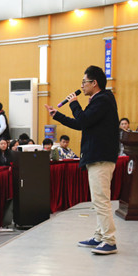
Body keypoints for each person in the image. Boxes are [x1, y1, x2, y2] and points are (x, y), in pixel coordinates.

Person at [44, 65, 120, 255]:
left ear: (94, 83)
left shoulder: (103, 99)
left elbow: (83, 120)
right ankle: (99, 236)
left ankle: (109, 240)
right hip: (97, 156)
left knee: (101, 200)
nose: (82, 86)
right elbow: (81, 124)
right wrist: (57, 115)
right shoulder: (99, 100)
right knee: (98, 200)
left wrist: (73, 103)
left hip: (101, 157)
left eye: (84, 82)